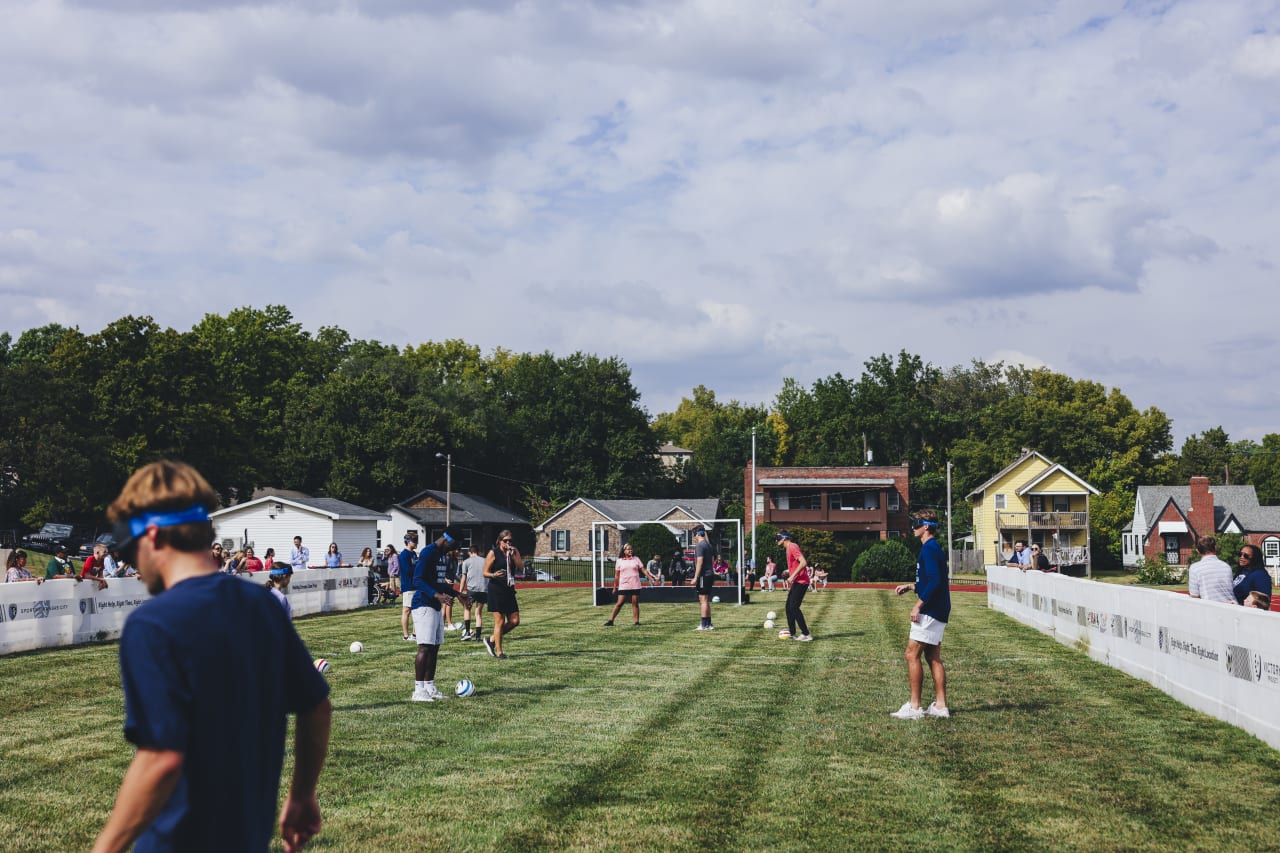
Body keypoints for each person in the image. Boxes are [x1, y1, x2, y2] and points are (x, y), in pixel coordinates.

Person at [92, 460, 330, 853]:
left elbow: (162, 759)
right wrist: (303, 794)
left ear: (151, 535)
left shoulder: (153, 623)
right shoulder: (263, 606)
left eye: (131, 550)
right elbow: (317, 707)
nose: (134, 562)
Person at [891, 509, 951, 720]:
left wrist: (918, 606)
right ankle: (940, 706)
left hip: (931, 610)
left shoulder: (929, 549)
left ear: (926, 526)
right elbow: (931, 580)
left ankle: (915, 707)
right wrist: (911, 586)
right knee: (933, 656)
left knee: (911, 654)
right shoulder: (933, 548)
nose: (913, 527)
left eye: (916, 523)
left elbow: (935, 582)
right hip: (939, 609)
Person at [407, 532, 468, 701]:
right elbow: (418, 580)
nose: (455, 549)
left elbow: (439, 583)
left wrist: (457, 594)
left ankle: (429, 687)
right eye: (455, 545)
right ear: (447, 538)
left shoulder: (441, 555)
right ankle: (418, 690)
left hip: (434, 605)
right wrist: (437, 595)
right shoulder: (428, 552)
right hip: (423, 604)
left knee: (434, 648)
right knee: (425, 647)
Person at [482, 530, 523, 659]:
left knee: (515, 620)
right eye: (505, 540)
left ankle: (492, 639)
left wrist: (514, 555)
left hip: (509, 589)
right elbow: (485, 572)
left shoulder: (513, 552)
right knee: (500, 621)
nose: (508, 543)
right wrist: (494, 575)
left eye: (510, 540)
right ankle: (499, 652)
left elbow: (521, 568)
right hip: (496, 590)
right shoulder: (493, 553)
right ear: (500, 541)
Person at [604, 543, 659, 626]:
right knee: (620, 603)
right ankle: (611, 621)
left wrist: (651, 578)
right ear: (624, 551)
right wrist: (615, 587)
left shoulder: (636, 559)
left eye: (631, 549)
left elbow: (643, 570)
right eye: (628, 549)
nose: (630, 551)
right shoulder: (619, 561)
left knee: (635, 603)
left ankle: (636, 622)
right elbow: (617, 575)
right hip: (624, 585)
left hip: (635, 584)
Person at [775, 530, 812, 641]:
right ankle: (792, 633)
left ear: (784, 538)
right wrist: (789, 573)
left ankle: (806, 634)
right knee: (788, 607)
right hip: (797, 581)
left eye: (778, 538)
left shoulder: (792, 547)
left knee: (794, 607)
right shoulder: (788, 548)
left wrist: (792, 576)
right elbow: (796, 565)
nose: (776, 541)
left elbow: (803, 562)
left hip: (802, 582)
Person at [1187, 535, 1234, 603]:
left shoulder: (1195, 568)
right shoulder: (1226, 566)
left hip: (1212, 608)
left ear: (1198, 551)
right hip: (1231, 606)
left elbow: (1194, 596)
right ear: (1215, 548)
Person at [458, 546, 487, 641]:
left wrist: (460, 591)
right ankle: (478, 637)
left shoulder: (466, 562)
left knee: (467, 609)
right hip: (483, 589)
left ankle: (467, 631)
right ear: (478, 552)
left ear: (470, 552)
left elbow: (463, 578)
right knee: (478, 613)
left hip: (472, 589)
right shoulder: (485, 560)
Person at [691, 528, 716, 631]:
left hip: (703, 576)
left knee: (703, 600)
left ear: (697, 534)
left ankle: (704, 624)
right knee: (705, 599)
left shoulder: (700, 546)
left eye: (694, 535)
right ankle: (708, 624)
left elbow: (700, 562)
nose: (693, 538)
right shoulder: (708, 545)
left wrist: (695, 577)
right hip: (709, 574)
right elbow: (712, 560)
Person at [399, 534, 419, 641]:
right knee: (407, 610)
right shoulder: (403, 555)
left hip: (416, 585)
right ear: (408, 541)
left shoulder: (414, 554)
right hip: (408, 586)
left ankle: (415, 634)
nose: (416, 543)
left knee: (417, 610)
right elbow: (408, 571)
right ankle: (406, 636)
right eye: (414, 541)